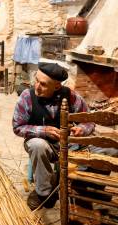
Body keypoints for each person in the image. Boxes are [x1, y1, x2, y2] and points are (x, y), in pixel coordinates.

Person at [12, 62, 95, 210]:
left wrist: (82, 129)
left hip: (68, 144)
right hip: (44, 144)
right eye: (36, 80)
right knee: (38, 145)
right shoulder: (27, 97)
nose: (37, 86)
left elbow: (89, 121)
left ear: (57, 86)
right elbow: (17, 127)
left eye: (43, 84)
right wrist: (42, 130)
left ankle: (76, 184)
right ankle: (43, 192)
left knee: (106, 149)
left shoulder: (70, 95)